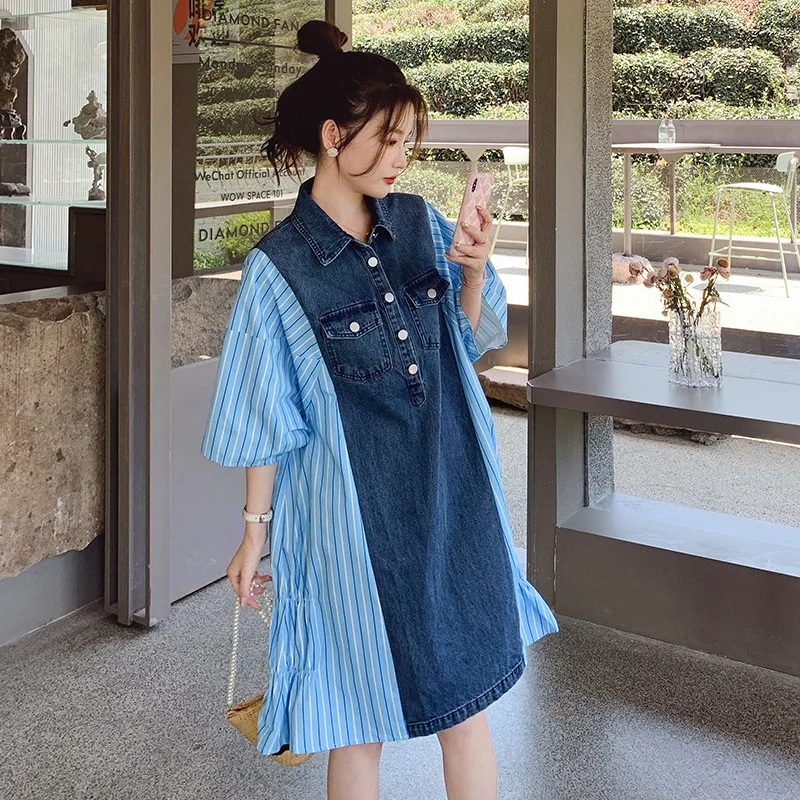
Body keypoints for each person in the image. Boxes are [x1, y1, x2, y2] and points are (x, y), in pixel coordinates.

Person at [201, 19, 558, 800]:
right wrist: (255, 535)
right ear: (334, 137)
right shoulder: (278, 270)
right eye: (389, 140)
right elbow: (267, 414)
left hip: (451, 498)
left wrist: (473, 270)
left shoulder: (422, 224)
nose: (402, 158)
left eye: (407, 142)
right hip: (349, 530)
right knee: (353, 722)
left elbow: (465, 344)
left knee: (465, 711)